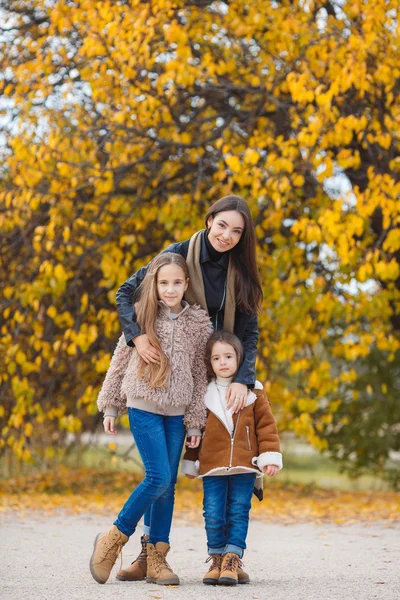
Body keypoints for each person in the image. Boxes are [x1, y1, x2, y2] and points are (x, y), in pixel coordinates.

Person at [114, 194, 263, 582]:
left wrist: (243, 378)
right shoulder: (178, 254)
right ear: (209, 219)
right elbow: (125, 293)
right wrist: (137, 337)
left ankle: (227, 558)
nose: (227, 235)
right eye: (222, 225)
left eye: (236, 230)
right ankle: (151, 553)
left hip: (221, 374)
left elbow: (248, 330)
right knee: (163, 472)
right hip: (175, 379)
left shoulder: (241, 272)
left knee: (226, 467)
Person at [89, 253, 212, 586]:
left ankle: (157, 558)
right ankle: (113, 539)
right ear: (154, 285)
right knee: (158, 476)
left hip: (177, 412)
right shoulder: (141, 316)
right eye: (163, 283)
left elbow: (201, 375)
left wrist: (195, 422)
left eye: (176, 282)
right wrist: (111, 405)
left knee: (168, 487)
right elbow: (119, 361)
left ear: (187, 284)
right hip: (142, 404)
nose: (170, 289)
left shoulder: (198, 323)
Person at [181, 330, 282, 586]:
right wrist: (191, 459)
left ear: (239, 359)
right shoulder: (203, 394)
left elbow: (266, 427)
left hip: (244, 465)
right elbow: (196, 430)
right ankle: (216, 558)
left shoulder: (254, 391)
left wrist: (269, 456)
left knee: (239, 511)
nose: (223, 362)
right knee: (213, 512)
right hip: (213, 465)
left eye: (228, 356)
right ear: (209, 362)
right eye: (216, 358)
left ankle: (232, 559)